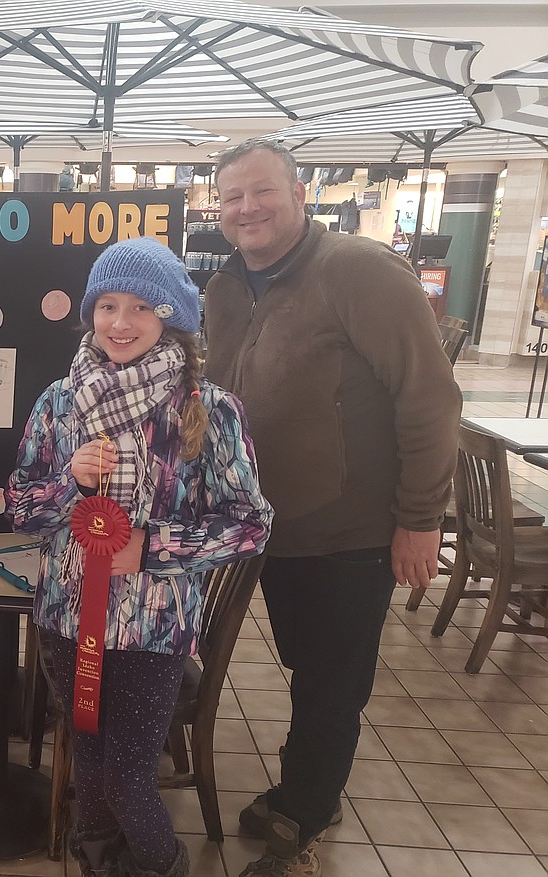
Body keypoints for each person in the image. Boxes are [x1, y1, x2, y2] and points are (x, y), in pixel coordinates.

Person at [204, 139, 461, 877]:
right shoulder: (227, 288)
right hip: (269, 526)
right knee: (305, 661)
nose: (246, 208)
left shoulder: (358, 271)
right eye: (231, 197)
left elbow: (431, 399)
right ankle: (308, 783)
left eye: (262, 192)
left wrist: (420, 516)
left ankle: (303, 816)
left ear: (298, 193)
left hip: (347, 527)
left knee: (330, 674)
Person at [5, 237, 273, 877]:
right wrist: (70, 480)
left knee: (127, 776)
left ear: (172, 320)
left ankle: (162, 865)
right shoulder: (59, 403)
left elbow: (250, 525)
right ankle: (99, 862)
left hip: (153, 631)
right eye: (107, 305)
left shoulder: (206, 412)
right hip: (66, 620)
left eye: (141, 309)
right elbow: (19, 508)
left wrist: (151, 548)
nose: (120, 324)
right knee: (89, 765)